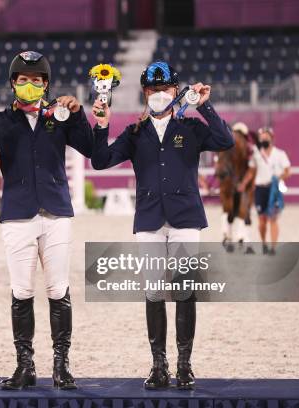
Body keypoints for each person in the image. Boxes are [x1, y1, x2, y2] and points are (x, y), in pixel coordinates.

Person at [0, 50, 94, 390]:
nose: (29, 85)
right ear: (13, 84)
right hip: (17, 216)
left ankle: (61, 365)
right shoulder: (1, 121)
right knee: (22, 291)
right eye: (23, 80)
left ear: (45, 84)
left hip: (56, 214)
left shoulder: (59, 117)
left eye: (36, 80)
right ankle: (25, 365)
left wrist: (78, 116)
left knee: (59, 290)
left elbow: (92, 150)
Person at [90, 61, 234, 390]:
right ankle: (159, 365)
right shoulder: (134, 133)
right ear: (145, 93)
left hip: (185, 218)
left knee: (184, 291)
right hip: (150, 220)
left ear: (175, 91)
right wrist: (101, 126)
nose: (159, 95)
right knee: (154, 292)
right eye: (153, 90)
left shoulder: (192, 129)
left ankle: (184, 365)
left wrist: (205, 105)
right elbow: (100, 162)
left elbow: (226, 141)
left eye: (165, 89)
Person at [238, 127, 290, 254]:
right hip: (260, 188)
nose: (264, 139)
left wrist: (278, 179)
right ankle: (264, 243)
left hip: (274, 189)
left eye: (266, 137)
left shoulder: (280, 154)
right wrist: (244, 183)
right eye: (261, 138)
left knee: (273, 218)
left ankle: (273, 247)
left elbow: (288, 171)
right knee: (262, 219)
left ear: (272, 138)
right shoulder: (256, 153)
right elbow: (251, 171)